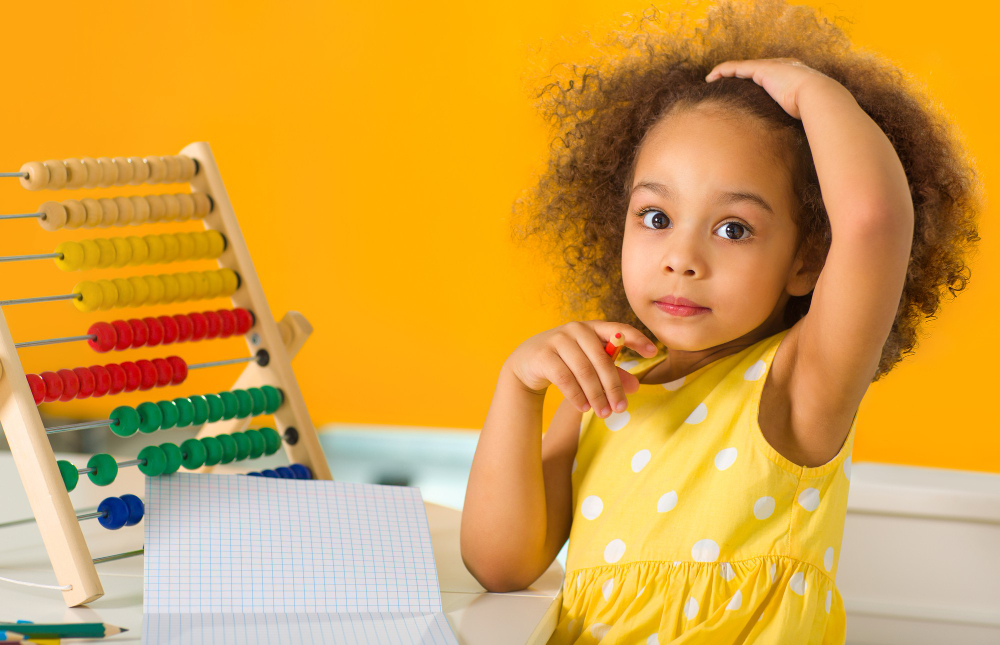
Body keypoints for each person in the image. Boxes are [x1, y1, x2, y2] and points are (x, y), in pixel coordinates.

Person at [460, 0, 983, 642]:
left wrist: (818, 93)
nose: (682, 259)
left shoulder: (797, 389)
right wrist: (518, 387)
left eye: (733, 229)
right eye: (655, 217)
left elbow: (874, 223)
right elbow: (501, 565)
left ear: (807, 260)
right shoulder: (610, 380)